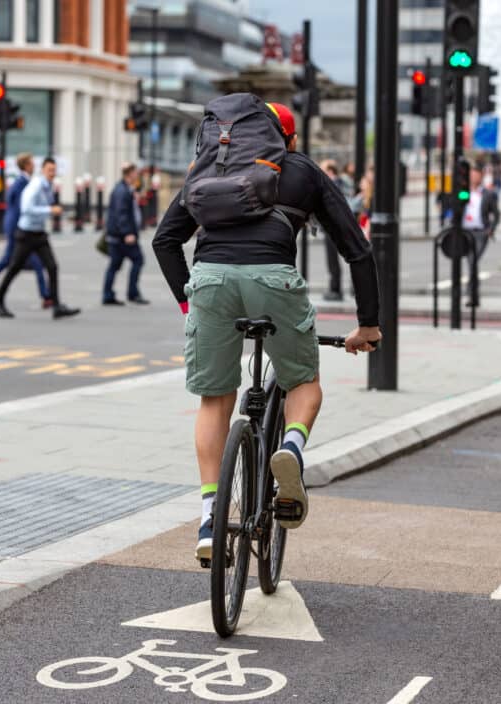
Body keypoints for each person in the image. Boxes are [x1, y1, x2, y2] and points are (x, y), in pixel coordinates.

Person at [152, 98, 382, 561]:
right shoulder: (302, 170)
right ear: (288, 139)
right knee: (303, 382)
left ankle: (210, 516)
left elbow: (165, 240)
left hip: (211, 282)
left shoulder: (208, 166)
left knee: (214, 400)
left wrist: (188, 302)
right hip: (273, 280)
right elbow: (357, 250)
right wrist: (367, 326)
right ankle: (292, 449)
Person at [0, 157, 79, 319]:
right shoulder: (36, 185)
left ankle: (56, 305)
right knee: (14, 268)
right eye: (49, 170)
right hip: (26, 234)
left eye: (54, 170)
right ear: (43, 170)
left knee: (52, 267)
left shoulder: (47, 186)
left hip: (38, 233)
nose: (52, 173)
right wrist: (49, 210)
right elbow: (26, 208)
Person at [0, 153, 51, 308]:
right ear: (26, 166)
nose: (34, 166)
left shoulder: (22, 182)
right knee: (26, 262)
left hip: (17, 228)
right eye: (31, 163)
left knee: (22, 262)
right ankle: (46, 296)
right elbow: (19, 209)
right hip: (18, 229)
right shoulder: (22, 183)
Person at [102, 162, 149, 305]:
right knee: (138, 260)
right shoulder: (121, 191)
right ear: (130, 174)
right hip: (122, 236)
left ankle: (108, 295)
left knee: (115, 265)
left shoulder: (124, 189)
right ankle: (132, 293)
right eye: (135, 173)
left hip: (117, 235)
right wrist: (128, 233)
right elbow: (121, 214)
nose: (137, 175)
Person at [460, 163, 500, 301]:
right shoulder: (464, 192)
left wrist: (491, 230)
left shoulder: (488, 194)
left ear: (481, 176)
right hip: (465, 232)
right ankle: (474, 294)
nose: (474, 177)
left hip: (481, 233)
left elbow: (496, 214)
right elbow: (456, 207)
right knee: (471, 262)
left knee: (473, 260)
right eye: (471, 175)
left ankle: (470, 292)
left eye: (476, 175)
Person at [319, 160, 346, 301]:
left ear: (330, 171)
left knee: (333, 260)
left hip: (333, 226)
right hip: (331, 226)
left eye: (323, 170)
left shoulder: (333, 184)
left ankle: (336, 289)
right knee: (332, 260)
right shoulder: (336, 183)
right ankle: (334, 288)